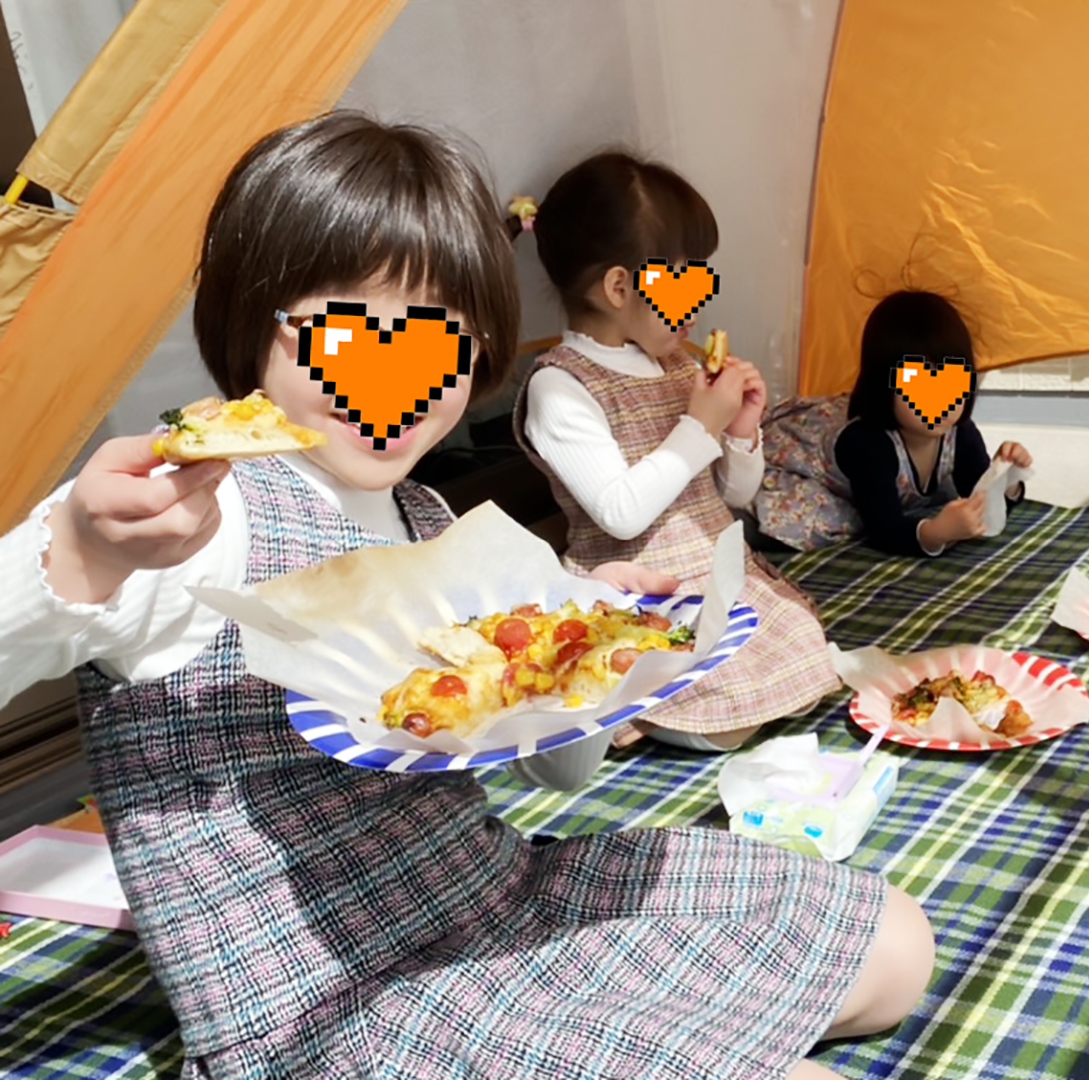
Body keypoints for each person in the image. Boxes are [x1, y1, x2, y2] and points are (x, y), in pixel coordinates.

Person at [0, 113, 931, 1080]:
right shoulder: (200, 513)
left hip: (493, 892)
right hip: (331, 1005)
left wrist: (587, 645)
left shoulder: (429, 515)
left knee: (895, 945)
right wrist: (77, 555)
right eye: (350, 331)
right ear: (251, 319)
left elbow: (558, 775)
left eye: (436, 337)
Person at [515, 152, 841, 752]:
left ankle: (704, 704)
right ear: (619, 287)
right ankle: (646, 714)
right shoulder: (561, 386)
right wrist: (699, 426)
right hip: (638, 592)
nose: (700, 301)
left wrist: (739, 432)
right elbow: (621, 513)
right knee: (729, 720)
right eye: (686, 282)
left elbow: (732, 496)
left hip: (718, 575)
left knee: (806, 652)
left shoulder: (676, 366)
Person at [831, 290, 1033, 557]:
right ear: (883, 384)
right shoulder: (867, 443)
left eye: (952, 383)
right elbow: (883, 529)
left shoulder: (959, 433)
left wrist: (1005, 477)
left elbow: (980, 500)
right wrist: (936, 532)